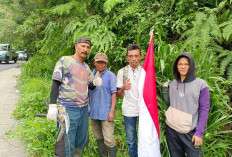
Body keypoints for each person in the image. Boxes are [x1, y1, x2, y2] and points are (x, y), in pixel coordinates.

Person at [46, 37, 101, 157]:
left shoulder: (86, 67)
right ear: (76, 46)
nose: (85, 49)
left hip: (83, 110)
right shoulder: (64, 61)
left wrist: (95, 83)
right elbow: (56, 83)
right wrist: (52, 105)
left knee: (80, 141)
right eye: (83, 46)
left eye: (87, 47)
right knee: (65, 143)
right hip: (67, 109)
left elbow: (89, 86)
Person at [163, 52, 210, 157]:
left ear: (191, 65)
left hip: (190, 132)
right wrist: (165, 90)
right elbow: (170, 103)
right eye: (180, 64)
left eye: (186, 64)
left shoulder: (201, 85)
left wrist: (199, 133)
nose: (183, 67)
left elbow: (204, 109)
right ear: (176, 66)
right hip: (172, 130)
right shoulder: (173, 83)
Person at [89, 53, 117, 157]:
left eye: (103, 62)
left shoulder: (110, 76)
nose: (101, 64)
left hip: (106, 113)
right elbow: (87, 92)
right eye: (98, 62)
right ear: (94, 63)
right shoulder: (90, 75)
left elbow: (114, 94)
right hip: (93, 112)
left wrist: (112, 111)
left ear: (107, 63)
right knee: (98, 137)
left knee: (109, 139)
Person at [116, 44, 142, 157]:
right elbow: (119, 95)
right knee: (131, 140)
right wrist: (123, 88)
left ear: (140, 57)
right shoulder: (122, 72)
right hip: (129, 110)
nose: (133, 59)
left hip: (143, 110)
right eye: (131, 56)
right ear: (127, 58)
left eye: (136, 56)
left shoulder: (146, 72)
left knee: (144, 138)